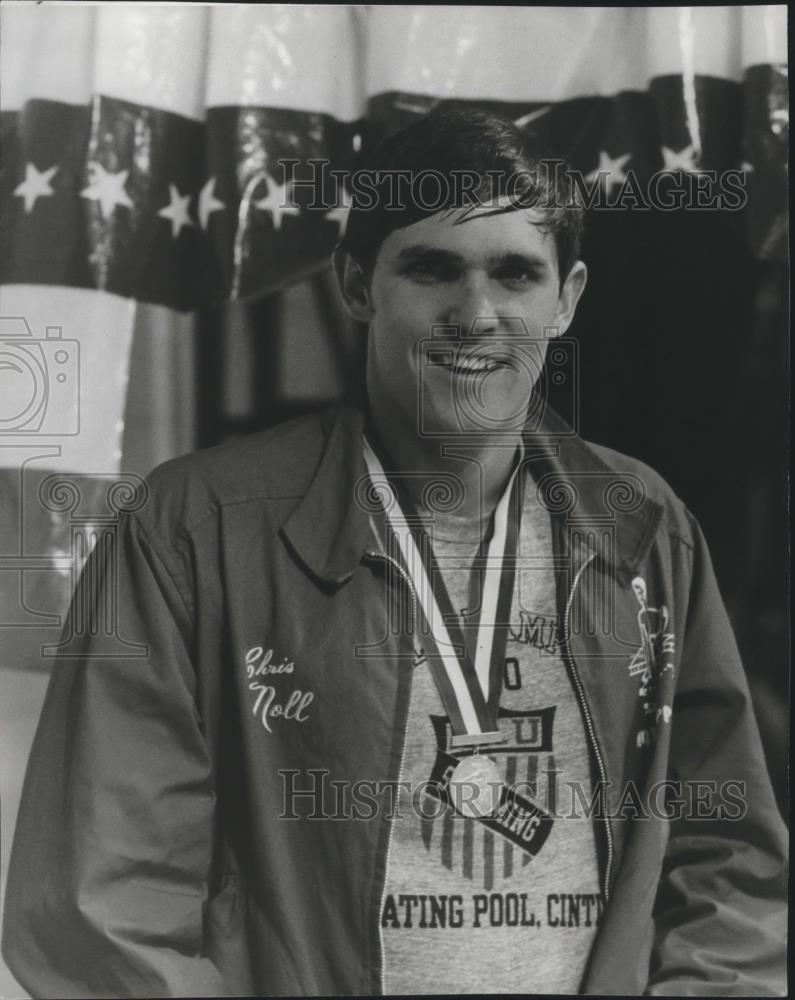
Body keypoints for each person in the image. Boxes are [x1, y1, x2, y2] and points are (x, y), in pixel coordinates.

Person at [2, 108, 787, 997]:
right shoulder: (193, 531)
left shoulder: (642, 524)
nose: (475, 314)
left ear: (565, 298)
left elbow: (728, 854)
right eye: (431, 268)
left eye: (515, 275)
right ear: (354, 285)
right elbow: (101, 898)